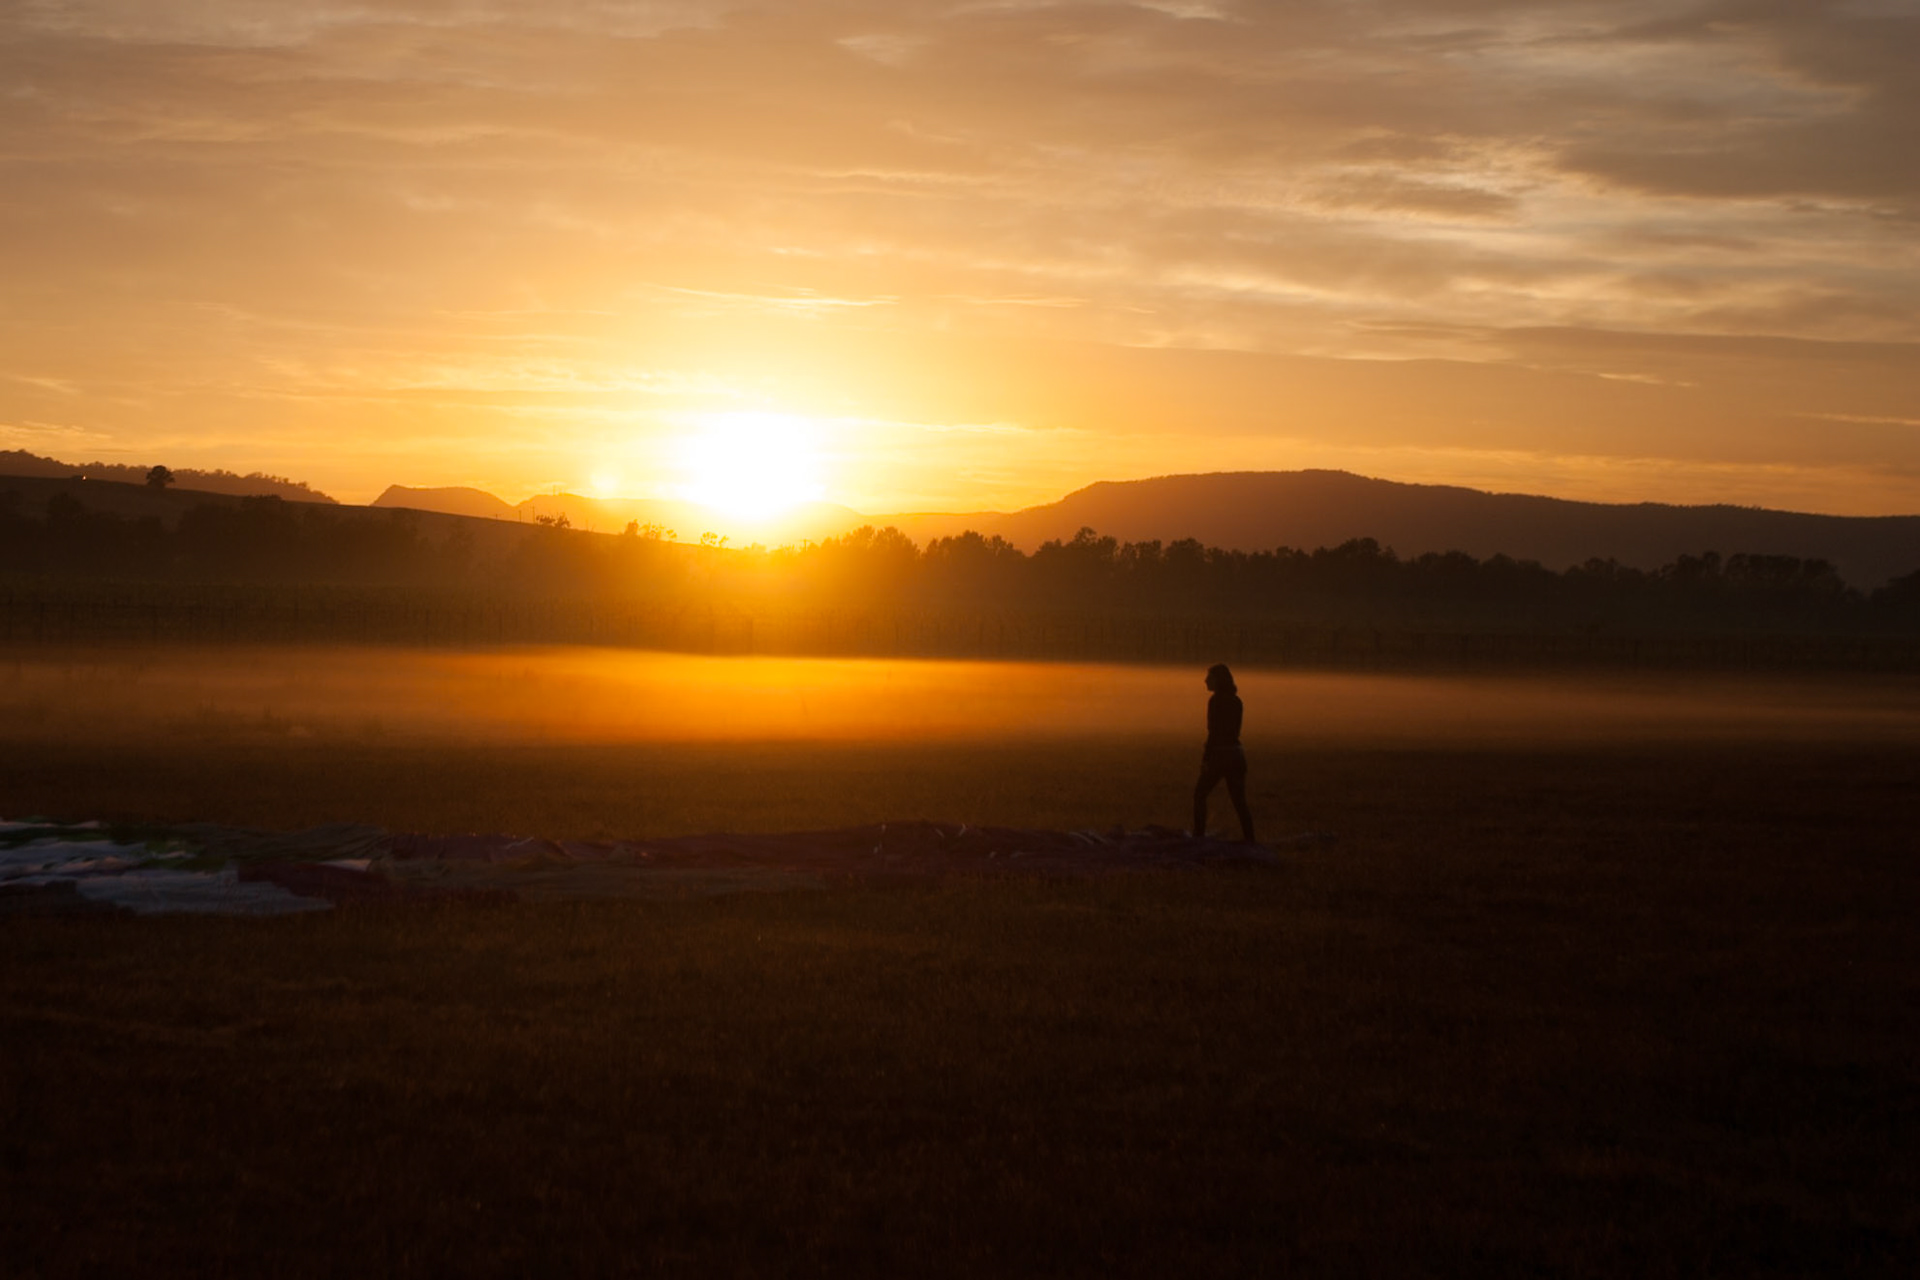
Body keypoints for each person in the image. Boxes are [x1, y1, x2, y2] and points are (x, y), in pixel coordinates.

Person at [1193, 662, 1257, 843]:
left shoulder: (1215, 701)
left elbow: (1213, 731)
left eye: (1209, 677)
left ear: (1218, 680)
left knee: (1200, 794)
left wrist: (1206, 758)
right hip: (1237, 755)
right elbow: (1234, 732)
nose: (1205, 681)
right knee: (1239, 802)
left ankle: (1198, 838)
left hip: (1220, 756)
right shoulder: (1237, 702)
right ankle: (1250, 840)